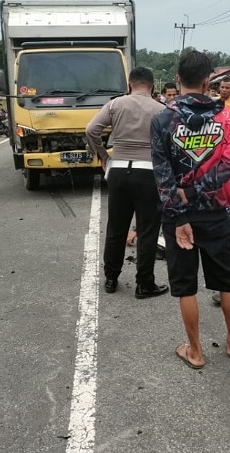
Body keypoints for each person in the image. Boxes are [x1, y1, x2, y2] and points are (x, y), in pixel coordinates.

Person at [150, 50, 230, 369]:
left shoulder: (162, 119)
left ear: (177, 79)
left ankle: (196, 351)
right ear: (208, 81)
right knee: (225, 280)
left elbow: (162, 176)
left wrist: (178, 214)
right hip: (216, 210)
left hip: (178, 215)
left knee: (185, 285)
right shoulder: (226, 116)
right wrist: (200, 189)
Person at [86, 67, 169, 298]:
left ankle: (111, 278)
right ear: (152, 86)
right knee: (148, 230)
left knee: (116, 227)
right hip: (148, 172)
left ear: (130, 83)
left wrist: (104, 156)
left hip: (119, 170)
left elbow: (91, 130)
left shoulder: (115, 104)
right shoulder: (161, 109)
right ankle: (144, 283)